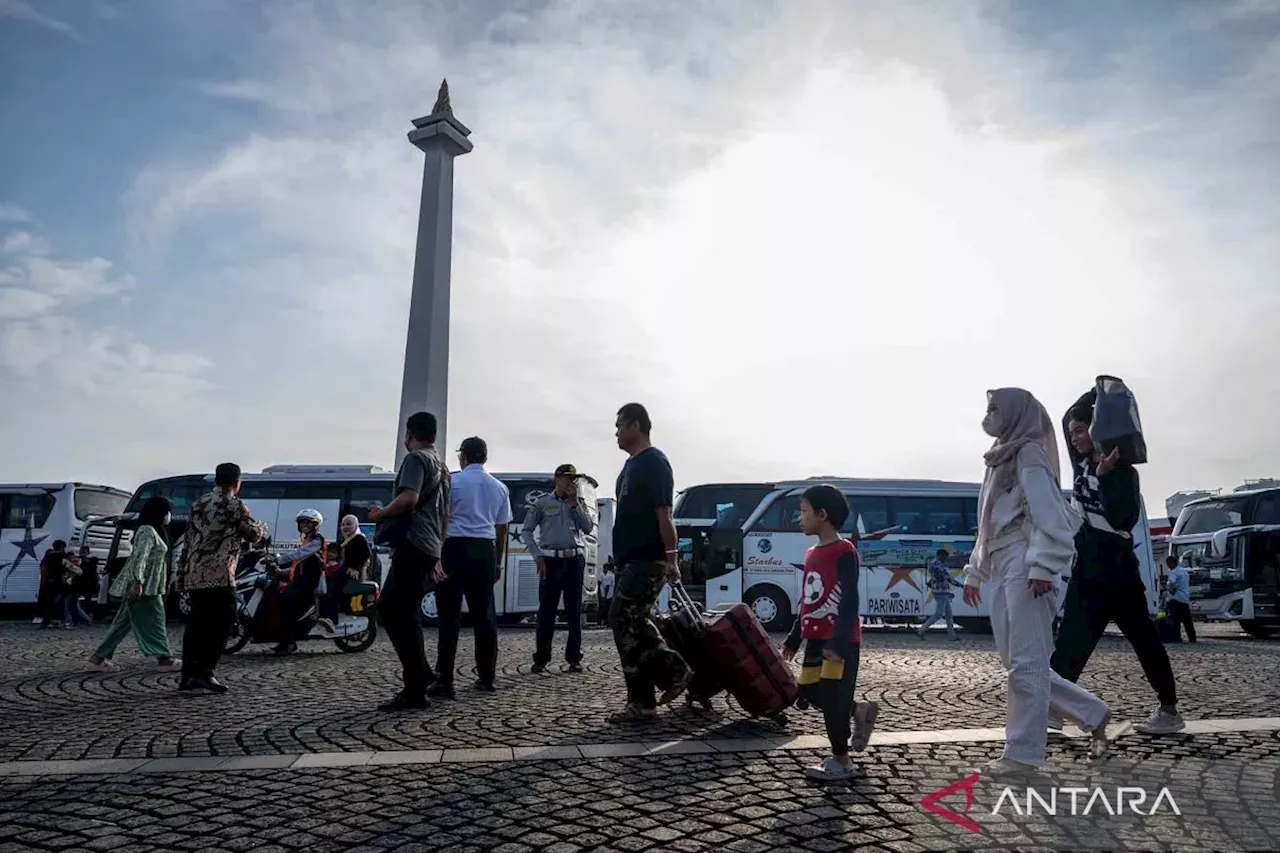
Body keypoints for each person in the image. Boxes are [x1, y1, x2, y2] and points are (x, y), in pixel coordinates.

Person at [961, 388, 1127, 779]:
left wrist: (1043, 566)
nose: (988, 415)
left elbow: (1049, 516)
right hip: (1004, 561)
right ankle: (1095, 715)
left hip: (1025, 560)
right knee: (1019, 661)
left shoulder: (1029, 453)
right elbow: (988, 523)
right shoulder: (1001, 455)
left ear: (1015, 413)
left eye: (994, 408)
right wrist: (976, 571)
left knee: (1026, 663)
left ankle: (1022, 753)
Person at [1050, 391, 1185, 735]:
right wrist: (1101, 392)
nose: (1073, 437)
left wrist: (1106, 475)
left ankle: (1169, 711)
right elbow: (1069, 413)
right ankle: (1052, 709)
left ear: (1095, 433)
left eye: (1080, 431)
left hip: (1119, 572)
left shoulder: (1124, 473)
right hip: (1088, 569)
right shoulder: (1080, 463)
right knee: (1070, 641)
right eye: (1072, 433)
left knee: (1145, 641)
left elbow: (1122, 519)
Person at [781, 485, 878, 782]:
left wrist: (837, 641)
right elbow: (807, 602)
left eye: (803, 511)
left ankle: (842, 761)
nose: (799, 518)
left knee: (834, 701)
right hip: (815, 641)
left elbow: (849, 599)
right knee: (809, 690)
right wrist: (795, 638)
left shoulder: (844, 551)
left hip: (839, 642)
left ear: (822, 515)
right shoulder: (811, 552)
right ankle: (858, 710)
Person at [608, 402, 690, 722]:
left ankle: (675, 671)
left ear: (637, 425)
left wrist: (671, 558)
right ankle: (642, 702)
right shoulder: (628, 467)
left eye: (620, 426)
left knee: (624, 618)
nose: (616, 433)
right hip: (631, 561)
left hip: (650, 559)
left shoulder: (654, 462)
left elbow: (664, 513)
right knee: (628, 623)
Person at [371, 411, 450, 712]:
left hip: (413, 543)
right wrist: (438, 552)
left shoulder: (417, 460)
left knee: (392, 609)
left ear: (409, 434)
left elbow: (409, 499)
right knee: (404, 612)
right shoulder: (442, 466)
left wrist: (379, 514)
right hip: (428, 545)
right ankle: (419, 677)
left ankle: (416, 684)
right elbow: (445, 514)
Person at [177, 462, 267, 694]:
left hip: (195, 571)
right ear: (237, 483)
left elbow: (188, 539)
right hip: (220, 574)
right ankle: (206, 673)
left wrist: (182, 573)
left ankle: (188, 676)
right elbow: (253, 535)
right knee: (223, 623)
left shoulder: (198, 503)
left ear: (216, 480)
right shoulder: (235, 505)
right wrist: (261, 530)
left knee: (196, 624)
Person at [432, 437, 511, 698]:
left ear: (463, 456)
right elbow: (502, 529)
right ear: (485, 457)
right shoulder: (499, 488)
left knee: (449, 617)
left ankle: (445, 679)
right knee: (484, 615)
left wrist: (438, 556)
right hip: (485, 550)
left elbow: (442, 518)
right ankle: (487, 677)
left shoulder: (453, 482)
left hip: (454, 546)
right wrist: (498, 561)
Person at [87, 497, 180, 672]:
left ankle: (97, 658)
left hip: (149, 586)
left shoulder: (153, 530)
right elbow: (140, 558)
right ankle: (164, 658)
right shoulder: (147, 531)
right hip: (145, 588)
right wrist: (138, 583)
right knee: (156, 620)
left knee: (122, 624)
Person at [525, 463, 596, 673]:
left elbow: (588, 528)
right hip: (550, 561)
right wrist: (537, 555)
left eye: (574, 479)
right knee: (547, 612)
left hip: (574, 559)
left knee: (574, 611)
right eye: (567, 478)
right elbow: (527, 531)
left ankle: (574, 658)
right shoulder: (542, 503)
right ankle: (541, 658)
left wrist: (575, 504)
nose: (570, 483)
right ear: (557, 479)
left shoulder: (578, 503)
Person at [271, 509, 329, 655]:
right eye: (302, 522)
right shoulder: (306, 540)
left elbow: (299, 555)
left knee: (288, 605)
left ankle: (289, 643)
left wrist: (278, 558)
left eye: (307, 522)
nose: (304, 525)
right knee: (280, 601)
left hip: (310, 584)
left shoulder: (316, 540)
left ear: (315, 525)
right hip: (300, 581)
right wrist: (280, 572)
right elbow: (298, 565)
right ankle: (284, 641)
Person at [324, 514, 372, 626]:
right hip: (345, 570)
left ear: (356, 525)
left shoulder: (359, 538)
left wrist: (353, 568)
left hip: (352, 572)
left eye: (349, 524)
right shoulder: (349, 539)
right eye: (343, 524)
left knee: (332, 591)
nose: (345, 527)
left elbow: (366, 554)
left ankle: (332, 619)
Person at [919, 549, 963, 640]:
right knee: (939, 614)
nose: (945, 559)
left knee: (948, 615)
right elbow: (946, 577)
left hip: (941, 591)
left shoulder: (934, 563)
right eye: (945, 557)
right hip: (940, 591)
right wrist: (960, 585)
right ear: (940, 555)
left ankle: (952, 636)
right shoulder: (937, 564)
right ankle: (922, 630)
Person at [1163, 555, 1195, 643]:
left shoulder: (1173, 572)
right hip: (1184, 598)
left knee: (1175, 620)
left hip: (1175, 599)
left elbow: (1171, 582)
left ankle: (1177, 638)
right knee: (1187, 621)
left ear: (1171, 563)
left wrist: (1168, 586)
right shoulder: (1184, 571)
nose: (1167, 565)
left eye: (1168, 563)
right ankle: (1192, 638)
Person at [36, 541, 69, 629]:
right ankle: (61, 621)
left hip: (47, 584)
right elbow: (62, 570)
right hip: (57, 583)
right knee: (59, 602)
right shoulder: (61, 557)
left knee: (48, 603)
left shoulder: (48, 556)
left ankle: (46, 621)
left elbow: (42, 567)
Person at [75, 545, 101, 622]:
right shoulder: (78, 561)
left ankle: (88, 617)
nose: (82, 553)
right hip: (81, 584)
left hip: (89, 584)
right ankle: (84, 617)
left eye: (84, 552)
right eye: (81, 552)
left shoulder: (92, 560)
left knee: (87, 601)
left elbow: (92, 568)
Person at [598, 557, 616, 626]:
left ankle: (607, 621)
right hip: (605, 594)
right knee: (604, 608)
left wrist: (605, 595)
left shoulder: (610, 575)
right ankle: (604, 621)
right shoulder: (602, 574)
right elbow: (600, 583)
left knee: (607, 608)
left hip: (608, 594)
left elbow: (608, 586)